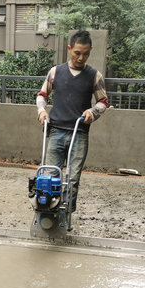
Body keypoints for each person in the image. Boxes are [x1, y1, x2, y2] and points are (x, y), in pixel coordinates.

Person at [36, 30, 109, 213]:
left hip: (79, 133)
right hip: (56, 131)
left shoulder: (94, 76)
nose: (81, 57)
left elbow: (103, 102)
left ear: (90, 50)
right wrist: (42, 110)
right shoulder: (55, 72)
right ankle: (47, 212)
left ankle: (65, 215)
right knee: (50, 175)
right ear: (69, 49)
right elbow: (42, 95)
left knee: (72, 178)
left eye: (85, 53)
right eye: (77, 53)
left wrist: (93, 112)